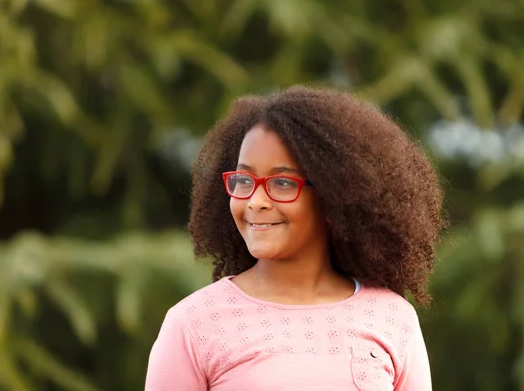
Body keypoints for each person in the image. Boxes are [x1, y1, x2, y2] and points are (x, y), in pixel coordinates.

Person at [145, 85, 446, 390]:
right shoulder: (194, 323)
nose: (256, 201)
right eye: (244, 179)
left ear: (335, 196)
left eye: (282, 183)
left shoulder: (392, 318)